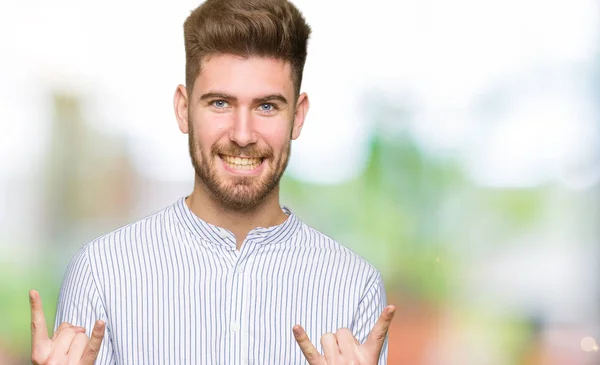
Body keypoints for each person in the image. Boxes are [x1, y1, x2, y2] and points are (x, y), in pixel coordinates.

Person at [29, 0, 395, 363]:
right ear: (183, 109)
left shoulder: (354, 287)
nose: (242, 134)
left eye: (267, 106)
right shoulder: (102, 273)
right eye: (220, 103)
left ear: (297, 117)